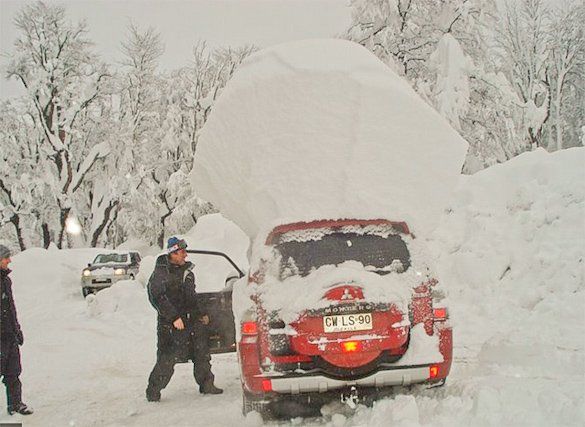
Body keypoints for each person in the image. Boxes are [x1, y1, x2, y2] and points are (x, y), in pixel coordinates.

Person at [145, 237, 223, 402]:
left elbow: (191, 298)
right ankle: (153, 391)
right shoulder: (161, 272)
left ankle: (206, 384)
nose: (185, 255)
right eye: (181, 252)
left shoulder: (188, 273)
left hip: (192, 321)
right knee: (167, 359)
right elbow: (157, 297)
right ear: (172, 253)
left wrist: (201, 313)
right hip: (171, 324)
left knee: (202, 353)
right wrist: (173, 317)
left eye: (185, 251)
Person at [0, 245, 33, 415]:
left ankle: (15, 404)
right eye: (6, 258)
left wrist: (16, 329)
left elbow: (10, 307)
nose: (9, 260)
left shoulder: (5, 280)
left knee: (13, 371)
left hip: (9, 335)